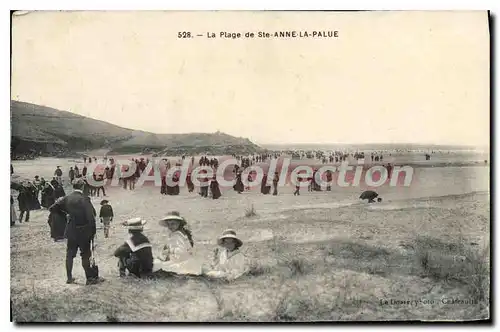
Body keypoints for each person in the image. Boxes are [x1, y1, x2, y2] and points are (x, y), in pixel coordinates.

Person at [49, 179, 104, 285]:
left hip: (71, 231)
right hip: (84, 231)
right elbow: (91, 216)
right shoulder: (84, 199)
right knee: (85, 255)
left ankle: (69, 278)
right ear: (82, 186)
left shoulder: (66, 198)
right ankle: (90, 278)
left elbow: (52, 208)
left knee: (69, 255)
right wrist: (93, 232)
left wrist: (66, 214)